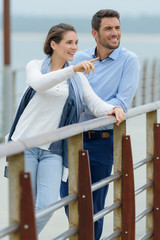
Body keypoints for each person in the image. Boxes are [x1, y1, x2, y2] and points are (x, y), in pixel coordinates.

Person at [5, 23, 124, 237]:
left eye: (76, 43)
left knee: (48, 204)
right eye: (69, 42)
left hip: (53, 150)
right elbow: (39, 84)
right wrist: (72, 69)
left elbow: (95, 104)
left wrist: (114, 108)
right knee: (26, 204)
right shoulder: (35, 66)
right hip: (25, 146)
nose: (74, 47)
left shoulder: (76, 77)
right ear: (53, 44)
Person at [60, 10, 140, 240]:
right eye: (108, 28)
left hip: (100, 142)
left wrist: (91, 108)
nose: (115, 33)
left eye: (117, 27)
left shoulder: (129, 60)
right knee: (68, 199)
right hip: (69, 139)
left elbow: (121, 103)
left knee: (92, 207)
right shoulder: (81, 58)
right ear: (95, 33)